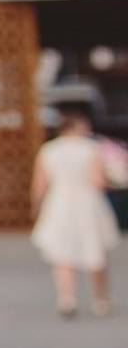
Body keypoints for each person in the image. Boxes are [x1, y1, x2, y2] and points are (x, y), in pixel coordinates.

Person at [30, 103, 119, 317]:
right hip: (87, 203)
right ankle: (100, 300)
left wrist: (36, 208)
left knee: (63, 254)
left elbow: (40, 184)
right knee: (94, 252)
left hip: (59, 203)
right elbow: (97, 180)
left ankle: (67, 298)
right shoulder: (90, 148)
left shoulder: (48, 150)